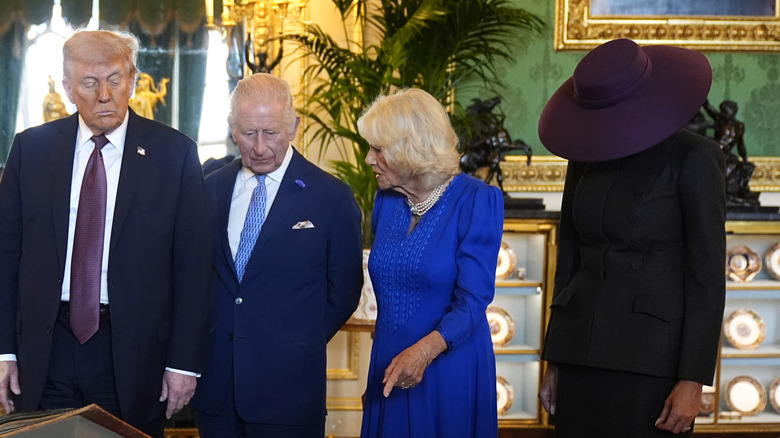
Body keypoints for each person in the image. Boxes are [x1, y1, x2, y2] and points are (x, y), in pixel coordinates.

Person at [0, 30, 211, 437]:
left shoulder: (175, 154)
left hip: (133, 351)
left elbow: (193, 268)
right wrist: (3, 350)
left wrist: (183, 363)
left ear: (133, 79)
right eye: (89, 83)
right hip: (45, 349)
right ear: (67, 88)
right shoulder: (31, 150)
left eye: (115, 80)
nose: (104, 95)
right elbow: (5, 259)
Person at [537, 38, 726, 437]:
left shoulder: (694, 157)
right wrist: (554, 359)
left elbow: (707, 277)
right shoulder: (583, 156)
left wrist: (693, 379)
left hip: (652, 359)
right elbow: (568, 257)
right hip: (579, 353)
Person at [191, 73, 363, 438]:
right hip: (217, 390)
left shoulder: (330, 198)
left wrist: (295, 339)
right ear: (232, 129)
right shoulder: (208, 191)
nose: (259, 147)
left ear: (293, 128)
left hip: (290, 390)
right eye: (248, 133)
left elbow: (345, 290)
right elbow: (193, 281)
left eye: (270, 133)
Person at [358, 88, 504, 437]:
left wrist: (423, 353)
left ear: (409, 150)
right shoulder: (387, 201)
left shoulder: (477, 201)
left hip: (448, 366)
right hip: (389, 364)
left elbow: (473, 301)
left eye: (377, 149)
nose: (368, 159)